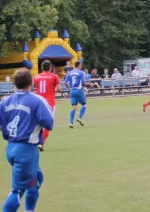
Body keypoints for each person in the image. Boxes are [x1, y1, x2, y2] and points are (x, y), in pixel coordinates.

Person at [0, 68, 54, 212]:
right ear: (31, 82)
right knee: (17, 190)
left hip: (11, 147)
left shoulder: (5, 101)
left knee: (37, 178)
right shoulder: (36, 100)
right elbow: (49, 123)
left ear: (15, 83)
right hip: (26, 149)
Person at [33, 60, 62, 151]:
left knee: (37, 123)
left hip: (38, 102)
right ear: (50, 68)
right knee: (48, 124)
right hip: (49, 102)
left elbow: (31, 88)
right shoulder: (54, 76)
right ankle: (41, 143)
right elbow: (60, 89)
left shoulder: (36, 76)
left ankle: (33, 142)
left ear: (42, 68)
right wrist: (54, 91)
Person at [64, 61, 87, 128]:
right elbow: (83, 82)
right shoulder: (81, 72)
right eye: (81, 65)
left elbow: (65, 83)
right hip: (79, 90)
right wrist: (83, 88)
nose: (81, 66)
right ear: (79, 65)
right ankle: (79, 118)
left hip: (72, 91)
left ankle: (71, 123)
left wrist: (69, 89)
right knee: (84, 106)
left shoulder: (70, 73)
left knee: (74, 108)